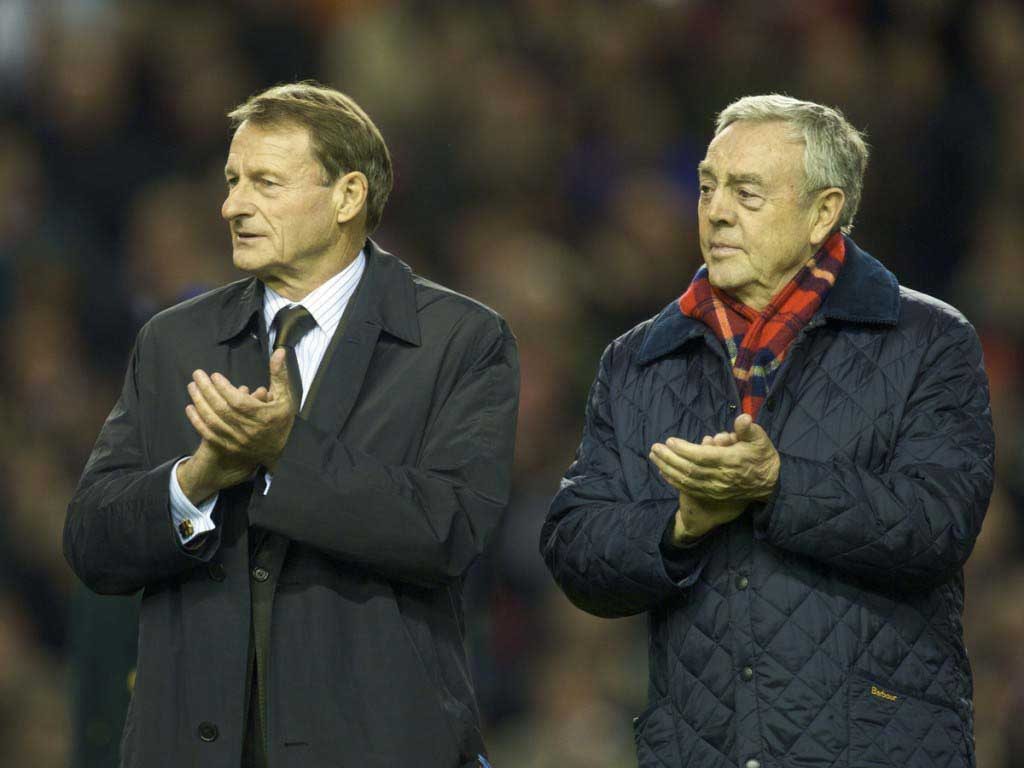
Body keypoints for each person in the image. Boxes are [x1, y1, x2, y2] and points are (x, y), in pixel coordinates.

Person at [65, 81, 519, 768]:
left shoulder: (459, 340)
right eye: (232, 180)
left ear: (348, 196)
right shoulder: (173, 342)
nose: (232, 205)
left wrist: (286, 451)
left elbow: (447, 529)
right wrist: (197, 480)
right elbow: (92, 540)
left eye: (265, 183)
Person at [541, 94, 993, 768]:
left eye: (746, 192)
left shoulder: (927, 340)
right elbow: (575, 547)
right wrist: (681, 526)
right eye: (707, 186)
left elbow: (938, 524)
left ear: (823, 212)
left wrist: (778, 486)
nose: (716, 210)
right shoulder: (639, 358)